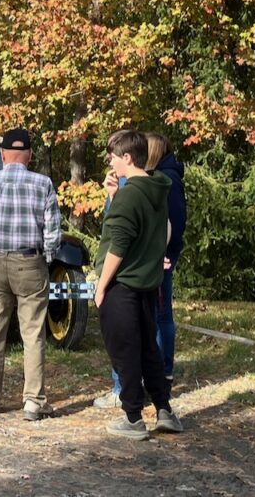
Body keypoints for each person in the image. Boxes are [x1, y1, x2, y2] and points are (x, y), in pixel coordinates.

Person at [0, 127, 61, 421]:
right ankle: (33, 401)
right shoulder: (43, 184)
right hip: (30, 262)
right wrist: (45, 257)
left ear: (2, 154)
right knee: (32, 333)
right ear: (30, 155)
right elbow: (53, 233)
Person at [94, 130, 182, 440]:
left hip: (124, 283)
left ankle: (132, 418)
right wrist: (157, 255)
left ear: (127, 157)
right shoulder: (159, 186)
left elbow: (118, 243)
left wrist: (102, 286)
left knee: (125, 350)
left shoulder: (132, 192)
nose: (111, 163)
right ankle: (164, 410)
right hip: (148, 283)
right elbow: (166, 227)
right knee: (148, 349)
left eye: (114, 157)